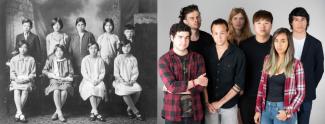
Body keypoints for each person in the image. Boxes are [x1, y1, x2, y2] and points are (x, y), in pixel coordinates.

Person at [159, 22, 208, 124]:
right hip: (172, 113)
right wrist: (195, 82)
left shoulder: (198, 58)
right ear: (172, 38)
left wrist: (175, 89)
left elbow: (201, 87)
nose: (184, 41)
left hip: (195, 112)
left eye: (187, 38)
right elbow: (172, 86)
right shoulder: (164, 60)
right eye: (180, 37)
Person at [254, 28, 305, 124]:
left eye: (283, 41)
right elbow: (261, 87)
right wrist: (258, 109)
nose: (279, 45)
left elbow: (301, 93)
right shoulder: (267, 59)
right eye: (276, 41)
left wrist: (287, 111)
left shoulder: (296, 64)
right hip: (266, 109)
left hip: (283, 109)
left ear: (289, 43)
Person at [203, 18, 246, 124]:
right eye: (216, 33)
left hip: (229, 105)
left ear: (228, 32)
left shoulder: (238, 54)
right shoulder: (206, 53)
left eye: (222, 33)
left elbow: (239, 84)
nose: (219, 37)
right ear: (212, 34)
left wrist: (220, 103)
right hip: (210, 105)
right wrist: (206, 102)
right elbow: (203, 80)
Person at [288, 7, 324, 124]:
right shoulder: (283, 39)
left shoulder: (316, 43)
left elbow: (319, 69)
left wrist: (309, 84)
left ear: (307, 22)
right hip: (284, 91)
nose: (299, 23)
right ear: (291, 22)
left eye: (303, 19)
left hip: (306, 93)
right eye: (296, 20)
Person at [238, 10, 273, 124]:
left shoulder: (276, 44)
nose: (262, 26)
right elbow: (240, 70)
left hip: (271, 96)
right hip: (248, 95)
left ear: (271, 24)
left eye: (266, 23)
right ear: (253, 25)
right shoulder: (244, 45)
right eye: (259, 23)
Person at [113, 39, 144, 121]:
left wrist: (132, 81)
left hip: (131, 81)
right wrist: (123, 81)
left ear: (131, 47)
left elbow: (135, 72)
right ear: (121, 48)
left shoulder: (133, 58)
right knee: (124, 91)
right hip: (120, 81)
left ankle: (129, 109)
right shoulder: (118, 58)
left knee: (138, 89)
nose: (126, 48)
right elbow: (116, 73)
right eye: (124, 47)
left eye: (128, 46)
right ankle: (135, 111)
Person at [42, 44, 74, 122]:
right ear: (54, 52)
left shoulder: (67, 60)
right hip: (55, 79)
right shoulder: (51, 59)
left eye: (61, 51)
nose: (59, 53)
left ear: (63, 52)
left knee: (64, 92)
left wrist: (67, 77)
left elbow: (71, 73)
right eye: (57, 51)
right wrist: (52, 75)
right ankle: (60, 113)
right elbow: (44, 70)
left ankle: (57, 112)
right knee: (56, 90)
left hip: (65, 80)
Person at [9, 40, 36, 123]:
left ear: (27, 49)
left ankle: (18, 113)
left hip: (27, 80)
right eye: (21, 47)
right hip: (16, 80)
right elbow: (12, 72)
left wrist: (26, 79)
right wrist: (16, 79)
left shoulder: (31, 59)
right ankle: (20, 113)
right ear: (18, 48)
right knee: (16, 90)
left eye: (25, 47)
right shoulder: (14, 59)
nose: (23, 49)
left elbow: (33, 73)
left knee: (25, 90)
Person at [79, 42, 106, 122]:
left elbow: (102, 72)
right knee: (91, 88)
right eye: (91, 48)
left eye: (95, 48)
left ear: (97, 49)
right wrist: (91, 81)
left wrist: (98, 80)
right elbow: (84, 73)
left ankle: (93, 112)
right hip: (87, 80)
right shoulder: (85, 59)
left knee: (100, 88)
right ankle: (96, 112)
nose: (93, 50)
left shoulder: (100, 59)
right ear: (88, 49)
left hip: (98, 80)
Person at [97, 18, 120, 89]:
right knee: (104, 77)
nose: (108, 27)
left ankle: (112, 93)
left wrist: (117, 60)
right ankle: (105, 94)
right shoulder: (101, 37)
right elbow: (98, 50)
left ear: (112, 26)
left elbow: (118, 50)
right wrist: (99, 60)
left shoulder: (116, 37)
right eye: (106, 25)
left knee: (112, 77)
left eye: (110, 25)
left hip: (113, 60)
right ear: (104, 27)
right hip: (103, 61)